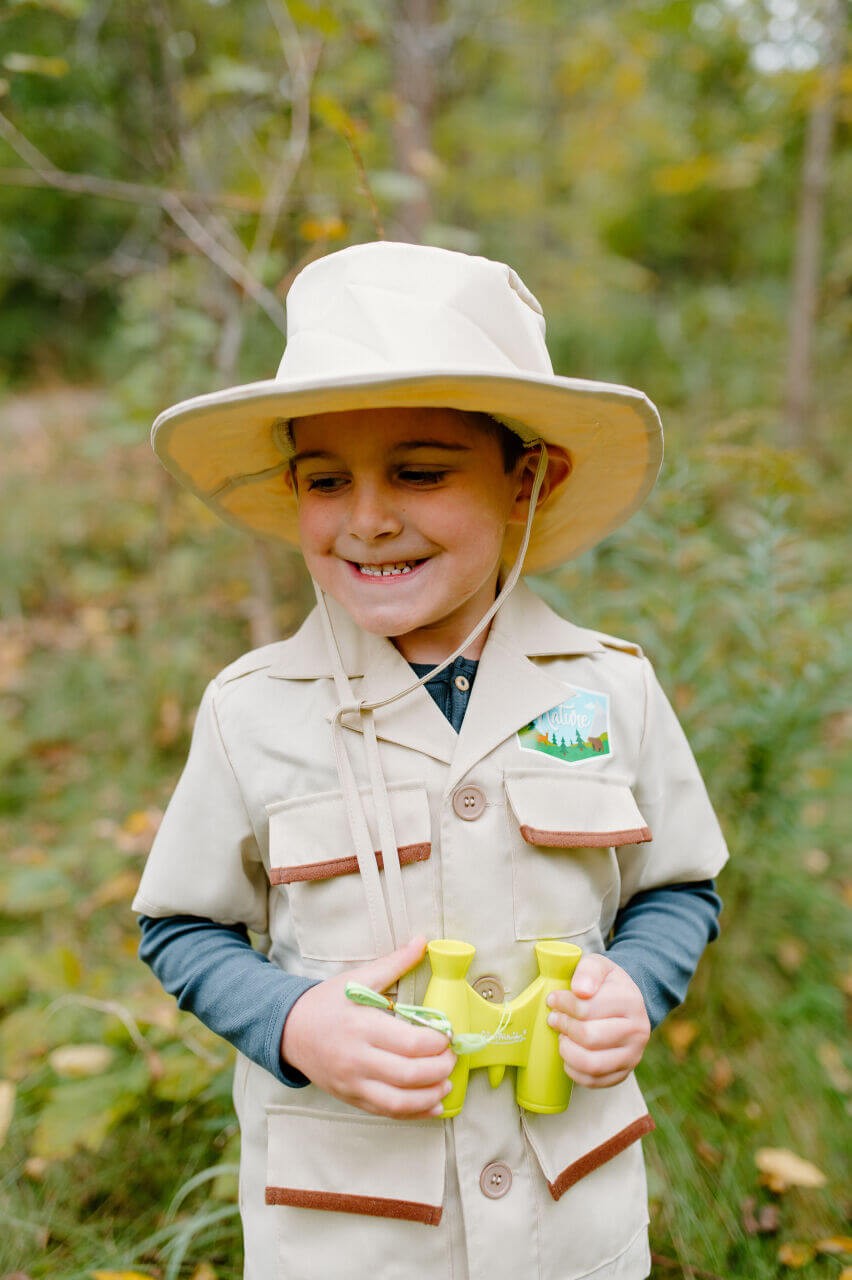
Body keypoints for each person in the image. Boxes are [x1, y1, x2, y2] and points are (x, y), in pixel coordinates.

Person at [133, 241, 728, 1280]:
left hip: (568, 1222)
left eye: (419, 470)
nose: (368, 517)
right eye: (327, 480)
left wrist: (634, 985)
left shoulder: (608, 688)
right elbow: (180, 922)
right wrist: (294, 1018)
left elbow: (680, 885)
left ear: (527, 476)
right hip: (351, 1234)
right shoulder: (254, 710)